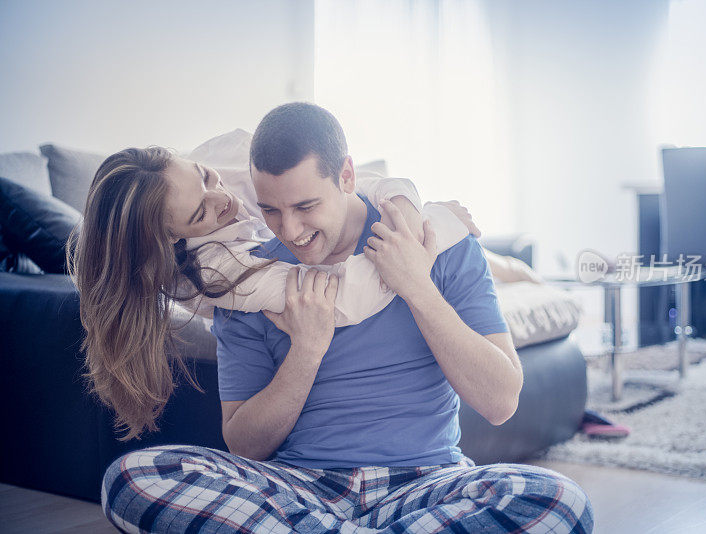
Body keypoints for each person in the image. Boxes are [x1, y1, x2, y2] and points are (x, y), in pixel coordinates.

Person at [100, 103, 594, 533]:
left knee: (557, 500)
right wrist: (306, 352)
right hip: (297, 490)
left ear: (348, 177)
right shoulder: (246, 282)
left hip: (427, 483)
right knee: (130, 479)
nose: (290, 230)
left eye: (306, 206)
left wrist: (417, 288)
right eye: (270, 210)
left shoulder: (441, 248)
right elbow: (244, 446)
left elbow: (501, 400)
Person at [69, 146, 470, 442]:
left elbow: (341, 181)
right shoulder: (216, 272)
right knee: (135, 476)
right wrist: (443, 223)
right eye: (200, 214)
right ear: (172, 239)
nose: (223, 198)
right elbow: (338, 298)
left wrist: (407, 205)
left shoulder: (222, 160)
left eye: (205, 177)